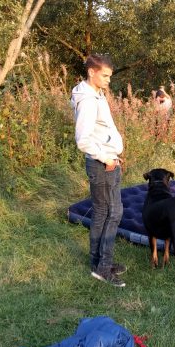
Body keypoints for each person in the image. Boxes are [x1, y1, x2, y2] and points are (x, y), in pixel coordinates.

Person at [70, 54, 127, 287]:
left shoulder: (95, 94)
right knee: (114, 213)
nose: (108, 80)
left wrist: (112, 150)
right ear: (92, 72)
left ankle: (97, 262)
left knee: (103, 213)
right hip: (102, 164)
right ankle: (103, 268)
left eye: (110, 77)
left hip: (106, 160)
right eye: (105, 75)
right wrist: (106, 157)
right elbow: (82, 139)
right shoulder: (88, 100)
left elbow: (99, 130)